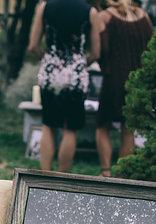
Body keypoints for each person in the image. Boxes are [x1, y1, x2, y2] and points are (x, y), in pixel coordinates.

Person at [28, 0, 101, 173]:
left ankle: (45, 174)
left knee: (48, 125)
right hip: (75, 77)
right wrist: (80, 64)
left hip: (50, 74)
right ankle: (62, 176)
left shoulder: (45, 7)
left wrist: (47, 60)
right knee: (70, 129)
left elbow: (33, 46)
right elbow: (96, 52)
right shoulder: (90, 12)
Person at [94, 0, 152, 177]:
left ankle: (105, 172)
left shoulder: (104, 17)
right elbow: (151, 47)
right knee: (128, 128)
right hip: (138, 80)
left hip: (113, 79)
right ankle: (122, 173)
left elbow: (99, 50)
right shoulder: (144, 16)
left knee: (101, 125)